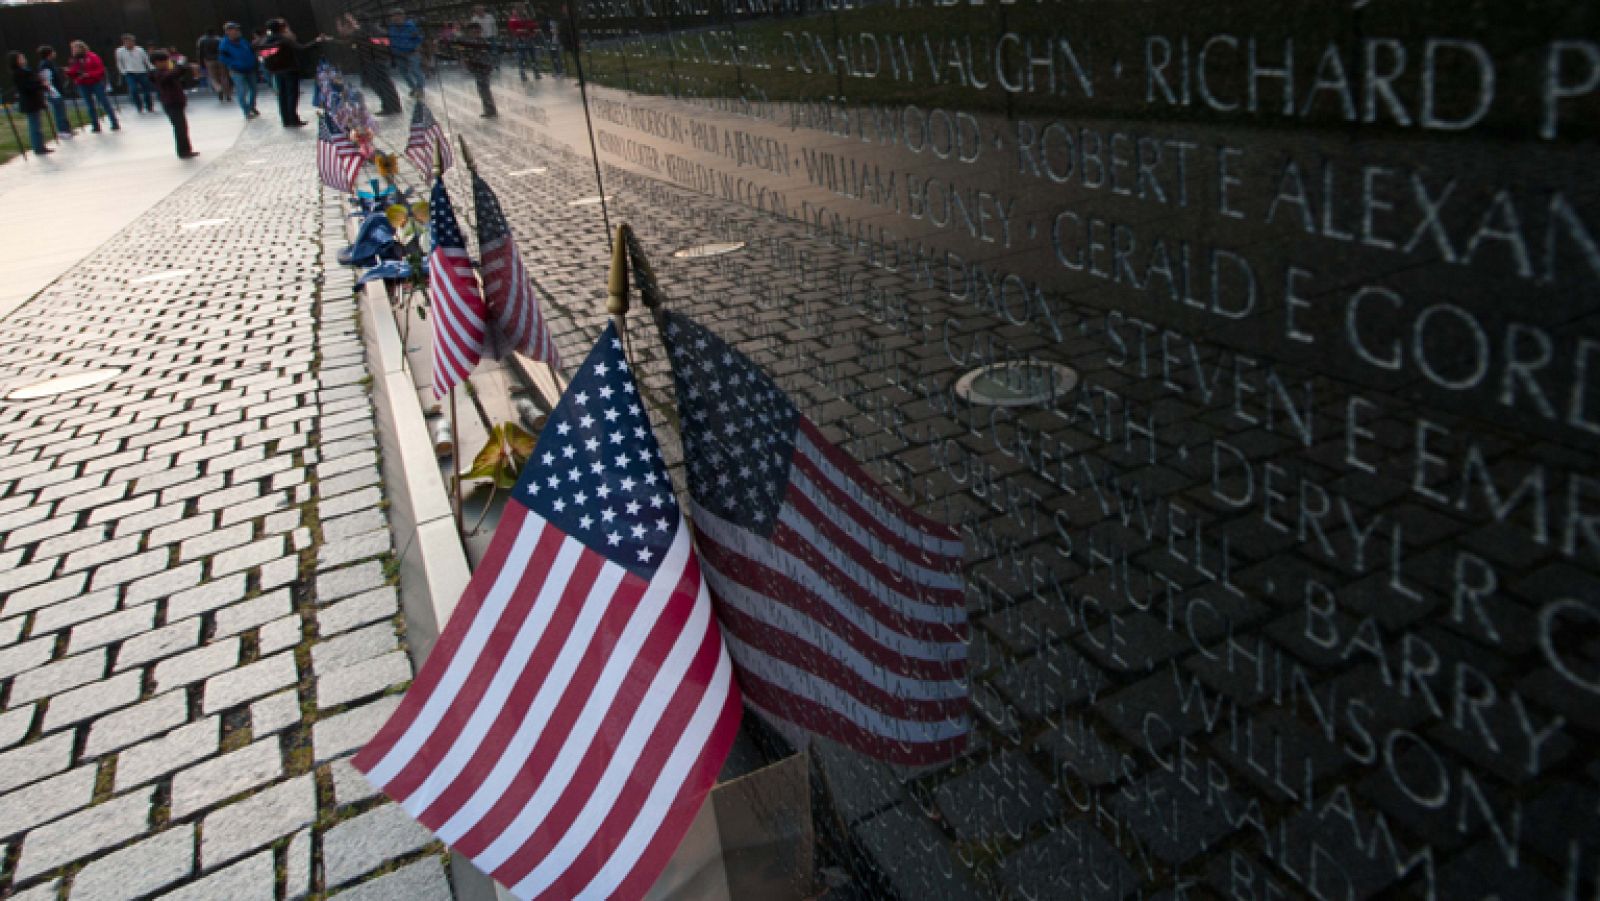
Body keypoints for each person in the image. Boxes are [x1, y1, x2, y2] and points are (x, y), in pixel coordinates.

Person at [260, 18, 328, 128]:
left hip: (276, 71)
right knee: (292, 94)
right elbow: (302, 48)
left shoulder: (265, 41)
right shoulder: (284, 39)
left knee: (282, 95)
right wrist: (317, 41)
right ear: (280, 28)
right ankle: (293, 119)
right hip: (289, 70)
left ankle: (285, 120)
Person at [335, 13, 401, 115]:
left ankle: (389, 107)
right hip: (382, 60)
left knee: (378, 85)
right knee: (387, 84)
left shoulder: (361, 32)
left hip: (371, 62)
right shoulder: (379, 30)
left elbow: (347, 39)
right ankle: (395, 106)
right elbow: (386, 44)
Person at [148, 49, 197, 159]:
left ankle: (186, 149)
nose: (166, 63)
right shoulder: (157, 74)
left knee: (182, 127)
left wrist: (182, 66)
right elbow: (171, 75)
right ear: (156, 63)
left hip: (176, 102)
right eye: (164, 61)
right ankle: (183, 151)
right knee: (179, 127)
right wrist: (180, 65)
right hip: (171, 102)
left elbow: (176, 73)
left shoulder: (164, 71)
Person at [65, 41, 119, 132]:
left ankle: (114, 122)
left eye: (75, 48)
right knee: (89, 105)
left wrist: (89, 74)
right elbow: (73, 71)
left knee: (104, 102)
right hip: (82, 84)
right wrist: (70, 72)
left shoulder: (92, 56)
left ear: (81, 48)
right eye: (72, 49)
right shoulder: (74, 60)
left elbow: (100, 70)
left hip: (95, 82)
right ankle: (95, 125)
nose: (74, 50)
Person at [9, 51, 50, 154]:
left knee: (37, 124)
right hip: (29, 102)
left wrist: (40, 81)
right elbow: (27, 87)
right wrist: (40, 85)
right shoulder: (18, 73)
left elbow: (33, 81)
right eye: (21, 58)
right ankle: (38, 147)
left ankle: (41, 145)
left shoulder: (26, 70)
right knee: (34, 125)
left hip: (35, 100)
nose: (23, 59)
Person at [217, 24, 258, 118]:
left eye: (237, 29)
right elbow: (222, 58)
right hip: (237, 70)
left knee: (254, 89)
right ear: (227, 32)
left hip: (249, 68)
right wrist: (233, 65)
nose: (237, 31)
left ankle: (251, 106)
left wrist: (253, 62)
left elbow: (250, 51)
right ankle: (246, 110)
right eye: (234, 29)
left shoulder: (243, 41)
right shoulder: (224, 45)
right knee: (242, 90)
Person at [457, 22, 497, 118]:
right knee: (483, 89)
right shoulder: (471, 41)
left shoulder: (480, 41)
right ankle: (489, 109)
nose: (475, 33)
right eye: (473, 31)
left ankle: (490, 110)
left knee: (484, 89)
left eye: (476, 31)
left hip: (483, 68)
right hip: (478, 68)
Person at [36, 45, 73, 139]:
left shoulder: (50, 63)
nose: (54, 53)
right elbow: (47, 79)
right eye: (53, 52)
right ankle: (62, 131)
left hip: (57, 90)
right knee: (59, 111)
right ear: (49, 53)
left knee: (62, 111)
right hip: (53, 92)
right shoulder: (45, 64)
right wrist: (52, 91)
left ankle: (67, 129)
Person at [387, 9, 425, 97]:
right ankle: (413, 88)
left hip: (411, 53)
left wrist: (415, 47)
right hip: (398, 54)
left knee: (416, 71)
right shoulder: (391, 27)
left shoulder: (410, 26)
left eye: (397, 15)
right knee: (404, 73)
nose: (395, 18)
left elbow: (418, 38)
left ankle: (420, 89)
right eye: (393, 16)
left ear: (402, 16)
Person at [115, 34, 155, 113]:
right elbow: (119, 62)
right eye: (126, 42)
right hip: (130, 73)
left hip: (141, 71)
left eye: (130, 41)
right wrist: (123, 71)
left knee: (146, 90)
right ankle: (139, 106)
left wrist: (151, 68)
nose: (129, 43)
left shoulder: (140, 50)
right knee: (133, 90)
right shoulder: (119, 51)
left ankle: (149, 106)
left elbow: (146, 60)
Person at [507, 5, 541, 81]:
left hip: (529, 39)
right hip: (520, 40)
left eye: (522, 9)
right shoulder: (513, 19)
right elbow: (514, 30)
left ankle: (536, 73)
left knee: (533, 57)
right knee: (522, 57)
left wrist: (533, 32)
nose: (520, 11)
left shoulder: (526, 17)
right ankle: (522, 74)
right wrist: (524, 31)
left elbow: (533, 26)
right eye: (516, 10)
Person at [196, 28, 229, 102]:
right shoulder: (219, 39)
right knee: (224, 76)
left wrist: (201, 63)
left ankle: (218, 88)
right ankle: (227, 94)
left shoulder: (201, 41)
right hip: (221, 59)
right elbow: (225, 50)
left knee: (213, 77)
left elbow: (200, 53)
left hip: (209, 60)